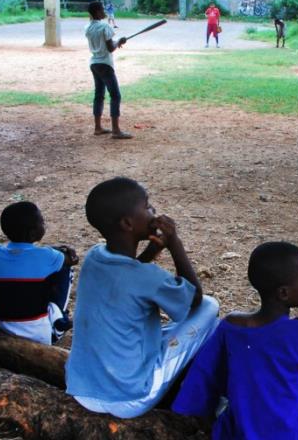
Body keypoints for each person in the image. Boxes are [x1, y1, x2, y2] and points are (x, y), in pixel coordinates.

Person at [66, 177, 219, 419]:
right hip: (129, 396)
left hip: (82, 387)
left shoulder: (94, 257)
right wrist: (174, 244)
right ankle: (203, 396)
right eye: (147, 206)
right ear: (127, 223)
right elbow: (195, 299)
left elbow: (126, 277)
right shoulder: (147, 277)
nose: (154, 212)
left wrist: (151, 251)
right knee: (211, 308)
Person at [173, 241, 298, 439]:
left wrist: (209, 424)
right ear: (284, 293)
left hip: (240, 432)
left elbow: (204, 376)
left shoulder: (231, 326)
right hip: (296, 433)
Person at [0, 201, 77, 345]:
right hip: (39, 334)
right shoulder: (47, 255)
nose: (44, 224)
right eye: (42, 222)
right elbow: (72, 260)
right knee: (65, 269)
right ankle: (60, 320)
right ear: (33, 233)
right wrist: (69, 250)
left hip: (3, 327)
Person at [86, 1, 130, 139]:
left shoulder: (88, 27)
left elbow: (106, 44)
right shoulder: (105, 26)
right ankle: (116, 130)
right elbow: (110, 48)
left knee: (99, 95)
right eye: (102, 10)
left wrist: (117, 42)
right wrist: (119, 42)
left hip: (94, 63)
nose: (104, 12)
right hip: (105, 64)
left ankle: (98, 127)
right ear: (98, 12)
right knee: (115, 95)